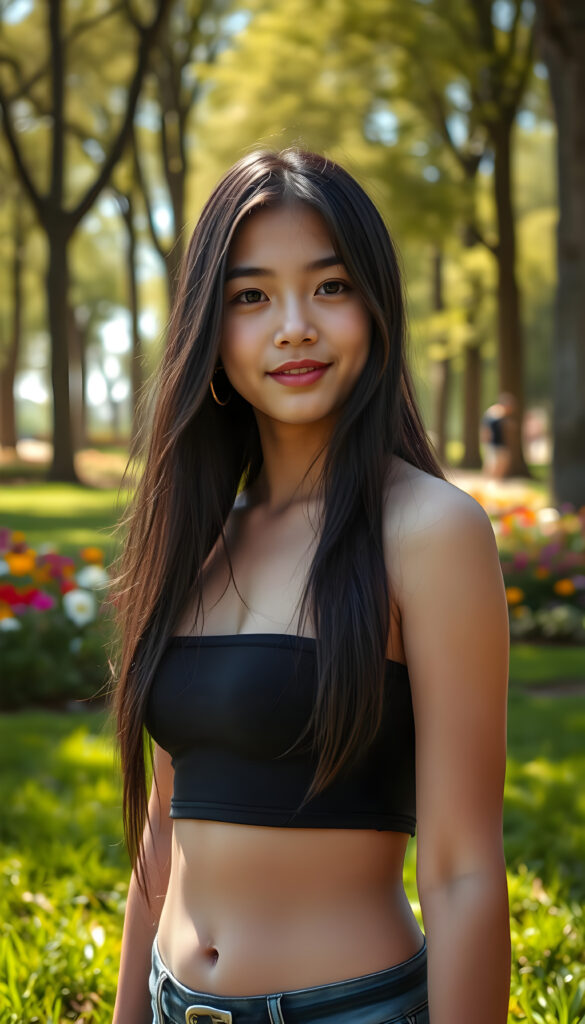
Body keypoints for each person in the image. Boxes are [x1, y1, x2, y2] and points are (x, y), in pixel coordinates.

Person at [110, 148, 510, 1024]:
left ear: (375, 306)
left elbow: (462, 869)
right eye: (250, 297)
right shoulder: (198, 537)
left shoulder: (429, 530)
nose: (293, 327)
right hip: (173, 1003)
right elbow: (163, 826)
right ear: (208, 328)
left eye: (329, 287)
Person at [480, 393, 519, 480]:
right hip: (493, 444)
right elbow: (485, 428)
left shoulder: (505, 416)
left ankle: (496, 481)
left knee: (502, 464)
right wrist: (485, 441)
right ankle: (488, 481)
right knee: (492, 465)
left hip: (501, 444)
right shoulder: (492, 413)